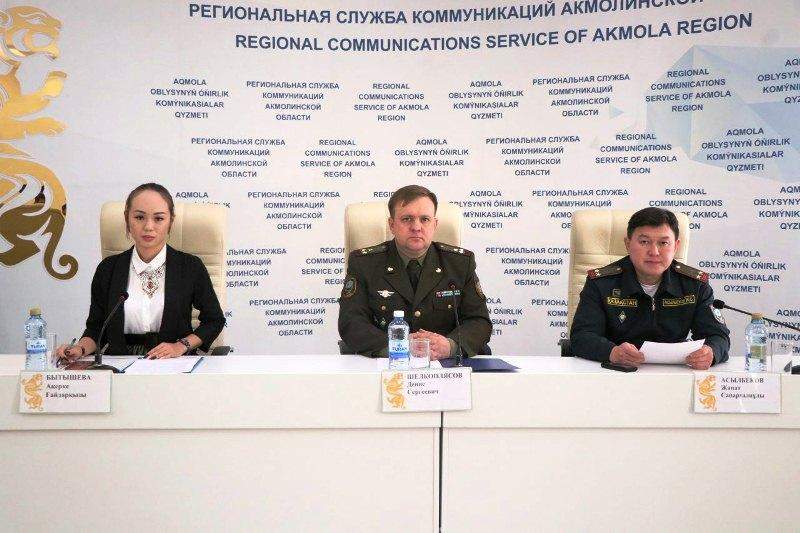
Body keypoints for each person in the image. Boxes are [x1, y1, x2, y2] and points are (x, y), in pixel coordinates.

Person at [57, 183, 225, 360]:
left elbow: (214, 320)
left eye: (158, 218)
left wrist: (180, 346)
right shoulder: (108, 269)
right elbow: (96, 328)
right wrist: (79, 349)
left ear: (170, 222)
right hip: (120, 361)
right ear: (127, 219)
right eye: (139, 217)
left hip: (173, 362)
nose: (148, 226)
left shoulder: (190, 266)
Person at [338, 185, 491, 359]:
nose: (416, 227)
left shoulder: (460, 264)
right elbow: (351, 323)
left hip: (444, 365)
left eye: (425, 219)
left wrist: (450, 346)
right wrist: (398, 345)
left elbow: (479, 321)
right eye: (407, 219)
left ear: (435, 224)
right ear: (392, 225)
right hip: (387, 362)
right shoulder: (364, 263)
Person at [570, 207, 730, 370]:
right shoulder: (601, 283)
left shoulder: (695, 285)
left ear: (676, 246)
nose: (654, 252)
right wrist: (612, 352)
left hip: (675, 375)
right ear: (628, 244)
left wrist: (711, 352)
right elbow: (581, 336)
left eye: (663, 243)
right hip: (617, 373)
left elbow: (718, 336)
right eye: (644, 242)